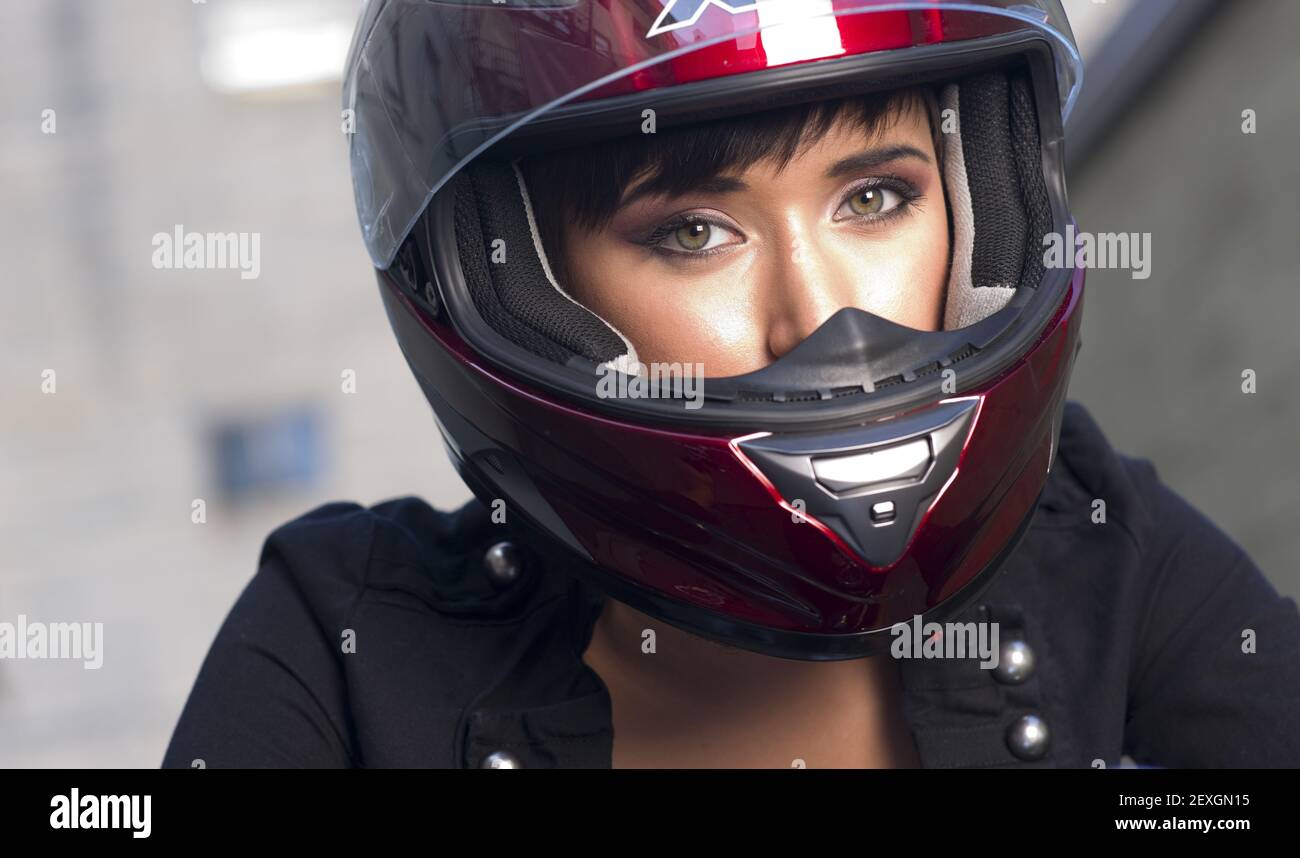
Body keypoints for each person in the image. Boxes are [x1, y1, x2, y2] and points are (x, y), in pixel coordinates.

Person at [162, 0, 1300, 769]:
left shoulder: (1102, 552)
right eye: (695, 230)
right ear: (521, 286)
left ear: (980, 209)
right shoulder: (346, 646)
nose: (819, 314)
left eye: (874, 199)